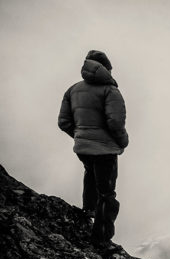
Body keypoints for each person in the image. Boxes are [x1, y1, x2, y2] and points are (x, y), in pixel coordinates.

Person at [58, 50, 129, 248]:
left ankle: (87, 211)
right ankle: (102, 240)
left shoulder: (72, 90)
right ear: (106, 68)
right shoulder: (110, 91)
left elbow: (63, 122)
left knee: (90, 175)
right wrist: (123, 141)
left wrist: (82, 136)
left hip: (83, 148)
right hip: (105, 149)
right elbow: (115, 122)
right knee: (107, 193)